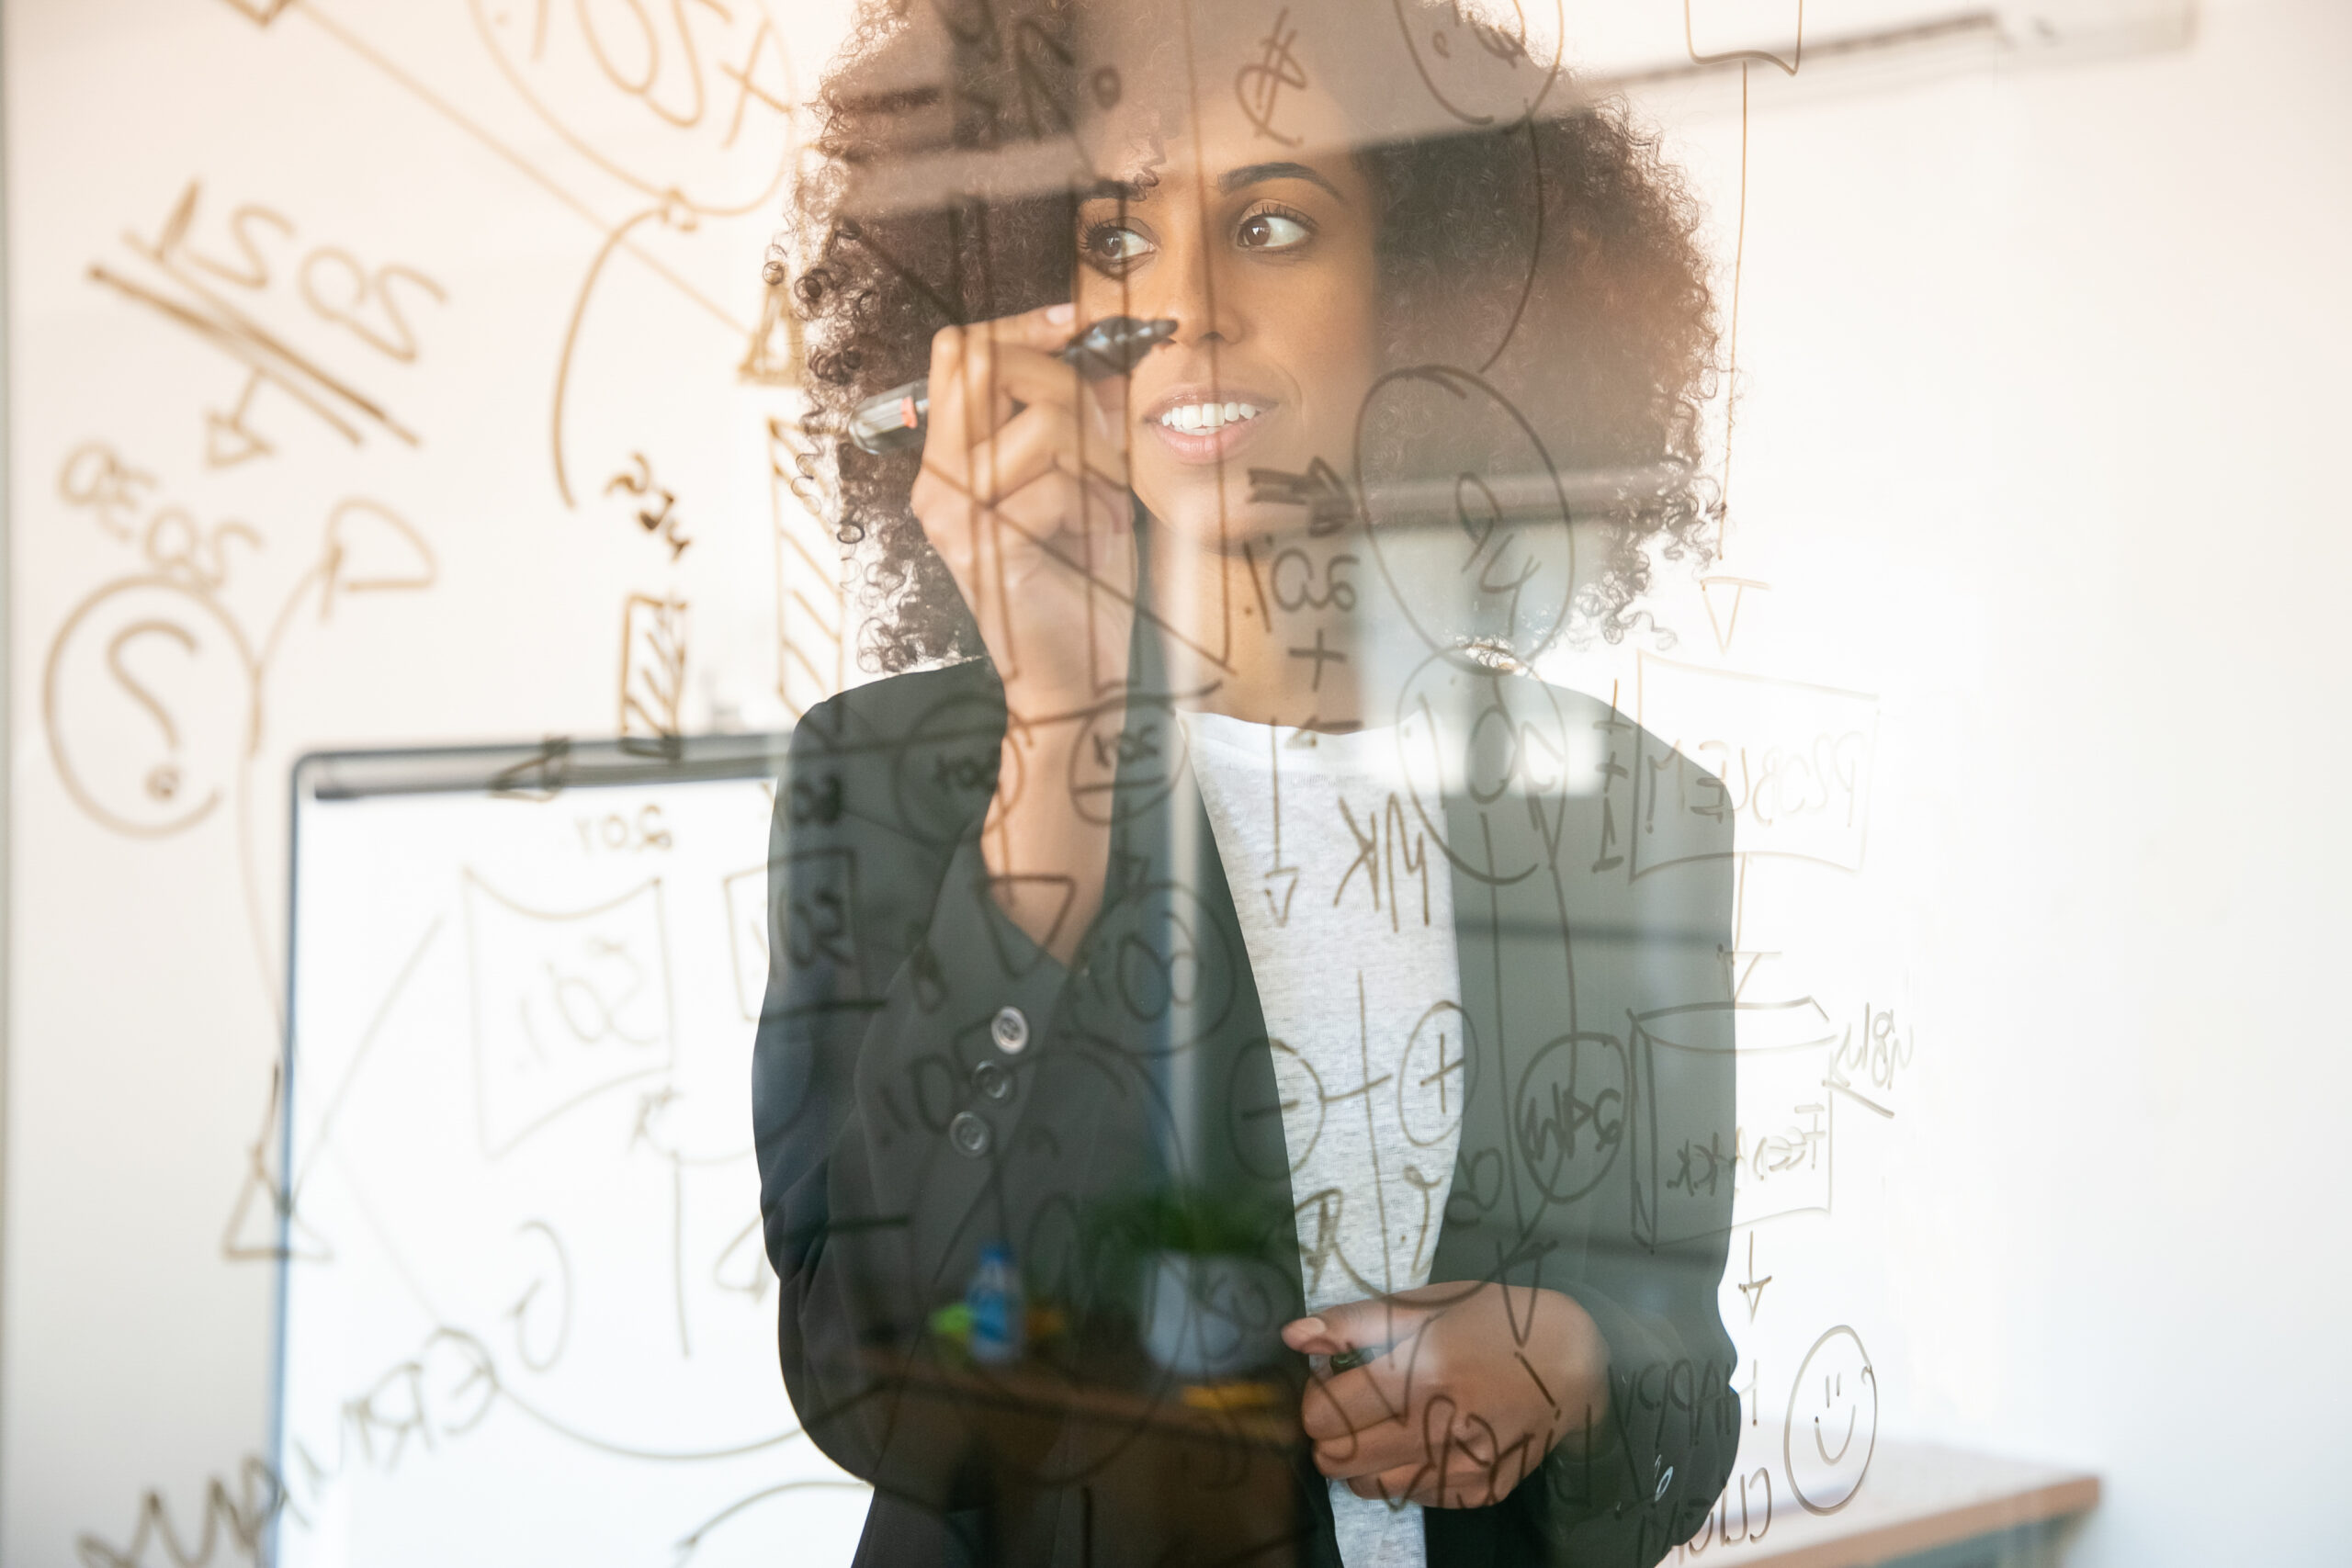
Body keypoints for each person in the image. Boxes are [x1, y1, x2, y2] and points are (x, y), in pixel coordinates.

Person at [753, 2, 1739, 1562]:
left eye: (1274, 223)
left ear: (1430, 276)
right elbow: (884, 1396)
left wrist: (1576, 1361)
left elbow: (1689, 1391)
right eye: (1117, 237)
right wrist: (1061, 746)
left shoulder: (1628, 815)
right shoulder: (892, 785)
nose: (1191, 305)